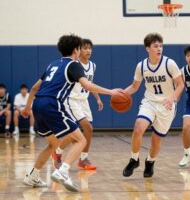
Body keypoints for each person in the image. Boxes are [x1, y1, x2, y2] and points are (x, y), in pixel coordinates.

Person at [22, 34, 122, 192]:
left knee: (52, 144)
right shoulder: (74, 65)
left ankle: (32, 175)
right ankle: (63, 171)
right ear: (76, 50)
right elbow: (87, 86)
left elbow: (34, 88)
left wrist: (27, 108)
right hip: (52, 104)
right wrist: (111, 92)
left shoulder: (53, 64)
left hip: (38, 104)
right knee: (81, 140)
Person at [122, 32, 184, 178]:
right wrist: (121, 94)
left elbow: (181, 84)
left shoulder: (169, 63)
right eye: (155, 46)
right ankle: (134, 159)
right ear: (147, 48)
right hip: (149, 102)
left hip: (166, 105)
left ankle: (150, 162)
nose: (159, 48)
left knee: (156, 139)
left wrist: (173, 98)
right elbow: (134, 86)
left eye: (161, 46)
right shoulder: (141, 65)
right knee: (138, 128)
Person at [52, 38, 103, 170]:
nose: (88, 51)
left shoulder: (93, 65)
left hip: (84, 101)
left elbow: (90, 85)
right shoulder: (74, 64)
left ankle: (61, 153)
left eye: (90, 48)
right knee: (85, 129)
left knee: (82, 132)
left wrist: (97, 98)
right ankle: (82, 158)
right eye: (85, 48)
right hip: (71, 100)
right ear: (78, 50)